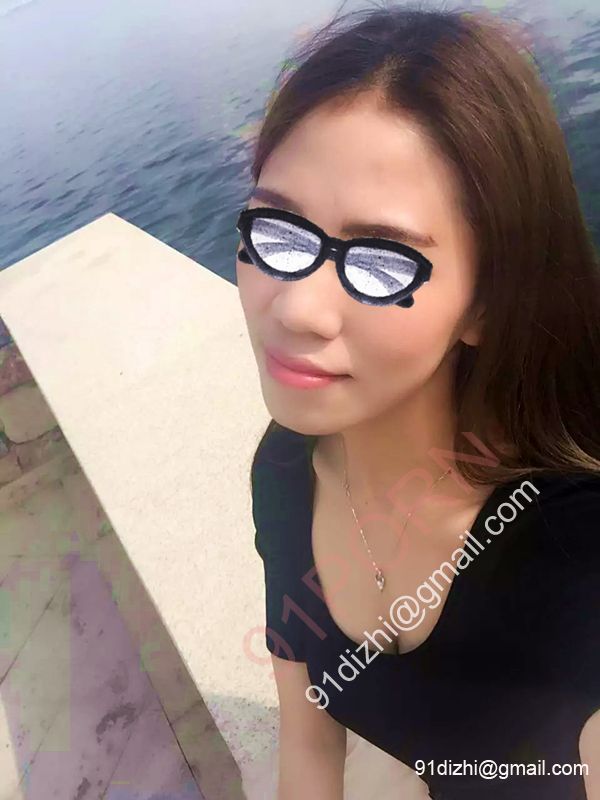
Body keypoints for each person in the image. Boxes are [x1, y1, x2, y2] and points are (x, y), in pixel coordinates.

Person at [234, 3, 600, 798]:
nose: (296, 309)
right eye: (279, 230)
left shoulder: (572, 550)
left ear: (489, 302)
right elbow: (307, 746)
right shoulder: (286, 475)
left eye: (381, 259)